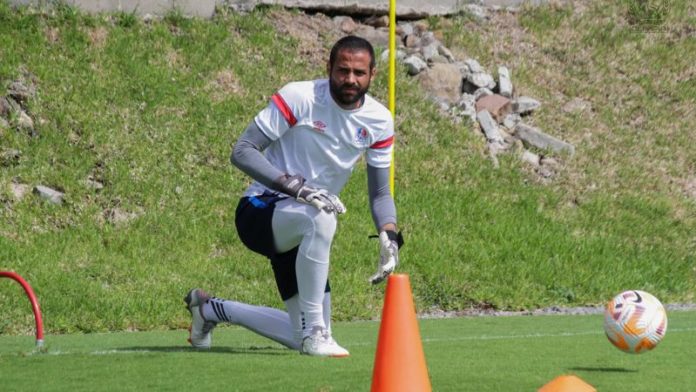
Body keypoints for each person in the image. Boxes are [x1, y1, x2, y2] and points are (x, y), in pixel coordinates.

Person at [185, 35, 403, 357]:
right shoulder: (300, 96)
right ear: (328, 68)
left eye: (359, 72)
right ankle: (317, 333)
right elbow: (243, 151)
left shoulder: (379, 120)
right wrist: (296, 187)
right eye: (342, 70)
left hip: (306, 226)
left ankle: (209, 310)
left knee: (295, 333)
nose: (350, 79)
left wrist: (389, 234)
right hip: (262, 210)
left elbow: (381, 193)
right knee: (322, 218)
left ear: (372, 75)